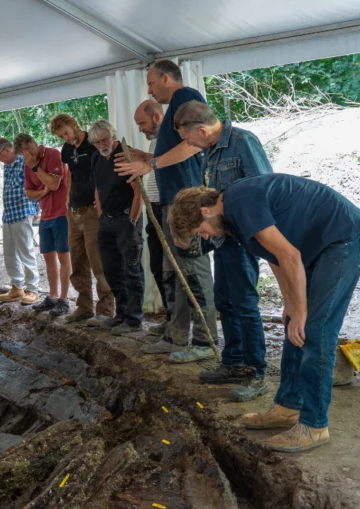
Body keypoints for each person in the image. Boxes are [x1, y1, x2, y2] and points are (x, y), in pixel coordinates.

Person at [168, 174, 360, 452]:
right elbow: (276, 257)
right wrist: (291, 304)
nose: (206, 237)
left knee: (315, 330)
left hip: (344, 238)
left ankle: (315, 425)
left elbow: (290, 256)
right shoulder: (232, 217)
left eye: (201, 230)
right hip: (317, 247)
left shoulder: (240, 203)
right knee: (294, 325)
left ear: (205, 211)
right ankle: (287, 407)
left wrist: (301, 310)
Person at [170, 100, 273, 402]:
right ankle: (233, 363)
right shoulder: (208, 153)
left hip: (243, 240)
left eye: (188, 138)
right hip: (222, 241)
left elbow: (264, 189)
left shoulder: (243, 142)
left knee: (244, 304)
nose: (188, 144)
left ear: (200, 130)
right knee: (225, 301)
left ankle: (256, 372)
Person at [116, 60, 217, 364]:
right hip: (175, 202)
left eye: (150, 83)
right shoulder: (176, 105)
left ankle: (204, 339)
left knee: (194, 273)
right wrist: (150, 156)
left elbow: (196, 144)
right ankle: (177, 331)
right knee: (174, 271)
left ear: (165, 77)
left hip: (187, 201)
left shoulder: (186, 96)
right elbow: (178, 152)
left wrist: (150, 164)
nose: (148, 89)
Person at [49, 113, 114, 323]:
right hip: (73, 211)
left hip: (92, 210)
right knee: (77, 261)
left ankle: (105, 309)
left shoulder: (93, 142)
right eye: (61, 136)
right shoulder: (67, 150)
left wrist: (101, 196)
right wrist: (67, 197)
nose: (65, 138)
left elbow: (104, 170)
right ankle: (84, 306)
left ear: (74, 125)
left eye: (66, 133)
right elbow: (70, 173)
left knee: (98, 260)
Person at [89, 120, 145, 335]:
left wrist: (132, 221)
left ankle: (134, 319)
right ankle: (121, 313)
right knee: (111, 270)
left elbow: (138, 191)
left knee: (131, 270)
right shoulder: (96, 157)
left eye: (105, 139)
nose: (102, 144)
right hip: (107, 221)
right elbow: (98, 188)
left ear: (113, 136)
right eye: (97, 141)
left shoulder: (125, 154)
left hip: (126, 219)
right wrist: (101, 215)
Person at [14, 133, 71, 317]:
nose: (27, 155)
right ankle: (52, 296)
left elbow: (54, 184)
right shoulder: (27, 165)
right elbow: (29, 194)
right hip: (45, 215)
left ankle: (64, 299)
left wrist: (37, 168)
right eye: (23, 153)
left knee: (63, 256)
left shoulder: (53, 154)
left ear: (33, 143)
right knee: (48, 257)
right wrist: (42, 190)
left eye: (28, 150)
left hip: (62, 212)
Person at [132, 99, 168, 332]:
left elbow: (168, 165)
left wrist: (147, 161)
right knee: (156, 266)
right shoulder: (157, 141)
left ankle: (180, 324)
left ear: (156, 117)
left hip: (167, 208)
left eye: (142, 123)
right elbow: (159, 164)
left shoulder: (170, 137)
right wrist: (144, 156)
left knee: (171, 269)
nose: (140, 128)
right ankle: (171, 318)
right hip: (154, 208)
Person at [0, 137, 41, 306]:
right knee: (9, 252)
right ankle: (17, 286)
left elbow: (36, 184)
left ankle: (33, 289)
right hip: (8, 214)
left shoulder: (24, 161)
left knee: (25, 251)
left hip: (22, 211)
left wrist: (36, 209)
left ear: (6, 150)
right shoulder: (7, 166)